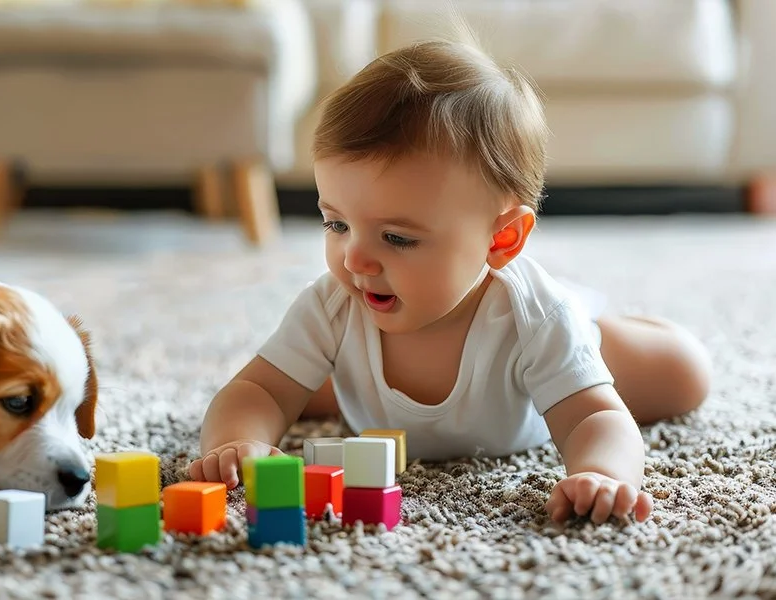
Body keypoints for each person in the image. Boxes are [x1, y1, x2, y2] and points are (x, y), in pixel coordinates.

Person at [188, 34, 712, 524]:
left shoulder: (535, 317)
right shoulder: (334, 303)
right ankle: (346, 378)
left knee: (684, 374)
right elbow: (256, 389)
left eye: (396, 238)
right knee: (296, 383)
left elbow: (592, 419)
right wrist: (237, 442)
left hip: (540, 368)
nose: (355, 260)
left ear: (500, 240)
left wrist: (601, 474)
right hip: (386, 362)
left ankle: (600, 326)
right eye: (337, 224)